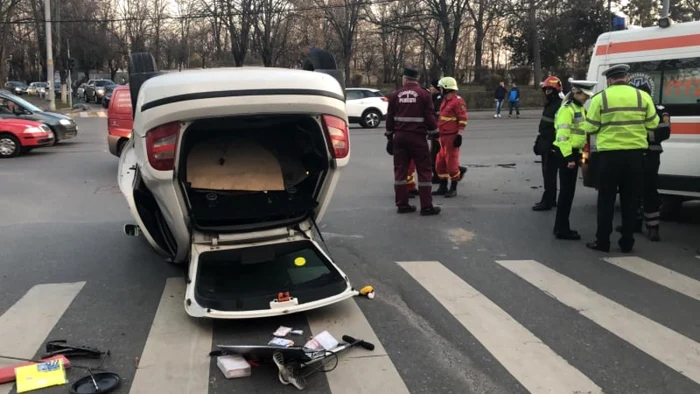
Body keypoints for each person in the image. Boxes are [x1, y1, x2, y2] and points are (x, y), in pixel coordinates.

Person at [581, 64, 659, 253]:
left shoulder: (601, 98)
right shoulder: (643, 96)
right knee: (631, 200)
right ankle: (627, 242)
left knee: (606, 200)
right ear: (627, 78)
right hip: (635, 157)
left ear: (609, 80)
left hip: (609, 157)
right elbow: (653, 123)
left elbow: (590, 128)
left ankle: (603, 242)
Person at [614, 82, 671, 241]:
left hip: (650, 155)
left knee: (649, 190)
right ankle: (634, 224)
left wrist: (643, 137)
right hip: (634, 154)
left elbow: (665, 132)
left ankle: (653, 228)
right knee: (633, 191)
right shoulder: (631, 109)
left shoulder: (659, 110)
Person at [385, 67, 441, 215]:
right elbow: (429, 116)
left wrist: (389, 138)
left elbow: (389, 118)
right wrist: (435, 133)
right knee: (424, 171)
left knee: (400, 171)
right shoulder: (424, 94)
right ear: (417, 79)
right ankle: (426, 206)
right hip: (418, 138)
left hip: (400, 138)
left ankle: (402, 205)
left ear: (405, 79)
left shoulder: (395, 95)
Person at [552, 79, 598, 240]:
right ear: (577, 93)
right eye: (585, 95)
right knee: (566, 192)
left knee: (568, 192)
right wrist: (569, 157)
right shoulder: (567, 109)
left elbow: (579, 131)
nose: (587, 98)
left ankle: (560, 226)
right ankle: (562, 229)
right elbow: (562, 135)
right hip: (567, 153)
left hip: (573, 152)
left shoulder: (578, 108)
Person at [432, 77, 467, 198]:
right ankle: (443, 187)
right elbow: (442, 119)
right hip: (442, 137)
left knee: (452, 166)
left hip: (451, 138)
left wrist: (459, 135)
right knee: (439, 164)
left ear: (446, 88)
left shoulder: (457, 101)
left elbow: (462, 119)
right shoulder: (445, 100)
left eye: (441, 87)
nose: (439, 89)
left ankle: (453, 188)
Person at [533, 76, 564, 211]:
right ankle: (551, 199)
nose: (547, 92)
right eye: (545, 90)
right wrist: (539, 141)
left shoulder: (559, 105)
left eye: (550, 90)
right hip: (546, 142)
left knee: (549, 174)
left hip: (553, 145)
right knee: (547, 174)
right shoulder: (550, 105)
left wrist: (551, 145)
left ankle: (547, 201)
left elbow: (558, 127)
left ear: (556, 90)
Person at [429, 80, 443, 183]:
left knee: (435, 154)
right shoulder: (434, 97)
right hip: (434, 130)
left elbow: (436, 115)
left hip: (437, 131)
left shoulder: (439, 98)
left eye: (431, 87)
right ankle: (436, 175)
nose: (430, 89)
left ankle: (437, 176)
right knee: (434, 153)